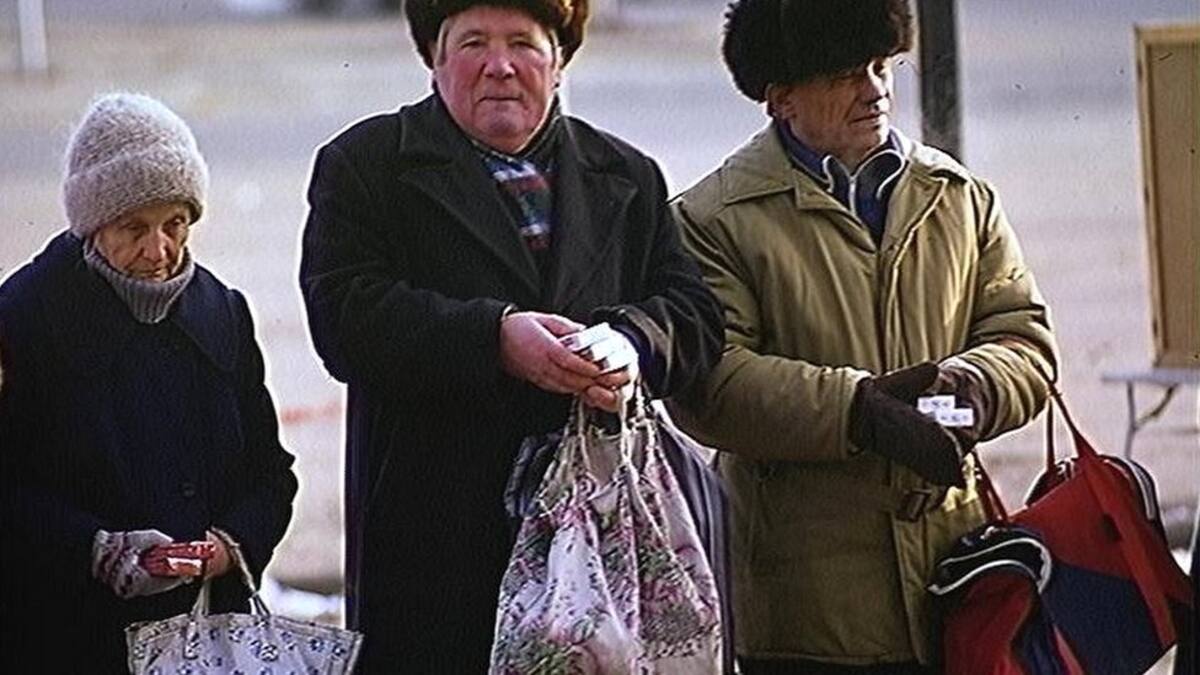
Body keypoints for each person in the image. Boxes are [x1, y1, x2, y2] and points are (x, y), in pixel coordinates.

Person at [298, 0, 724, 671]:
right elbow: (343, 314)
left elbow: (693, 312)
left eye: (522, 43)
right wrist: (494, 337)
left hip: (598, 556)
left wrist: (630, 344)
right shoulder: (368, 165)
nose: (499, 66)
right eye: (473, 43)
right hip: (436, 551)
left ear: (558, 61)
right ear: (435, 58)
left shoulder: (627, 175)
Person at [669, 0, 1060, 672]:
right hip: (806, 613)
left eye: (882, 66)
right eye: (845, 74)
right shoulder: (712, 220)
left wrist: (975, 388)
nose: (875, 89)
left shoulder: (958, 197)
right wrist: (858, 410)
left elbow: (1023, 337)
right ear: (781, 99)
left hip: (958, 585)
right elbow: (713, 382)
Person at [0, 92, 299, 672]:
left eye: (175, 224)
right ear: (92, 225)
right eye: (134, 227)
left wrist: (226, 548)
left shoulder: (223, 313)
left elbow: (272, 476)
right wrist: (97, 550)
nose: (158, 250)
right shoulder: (24, 318)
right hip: (65, 637)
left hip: (199, 641)